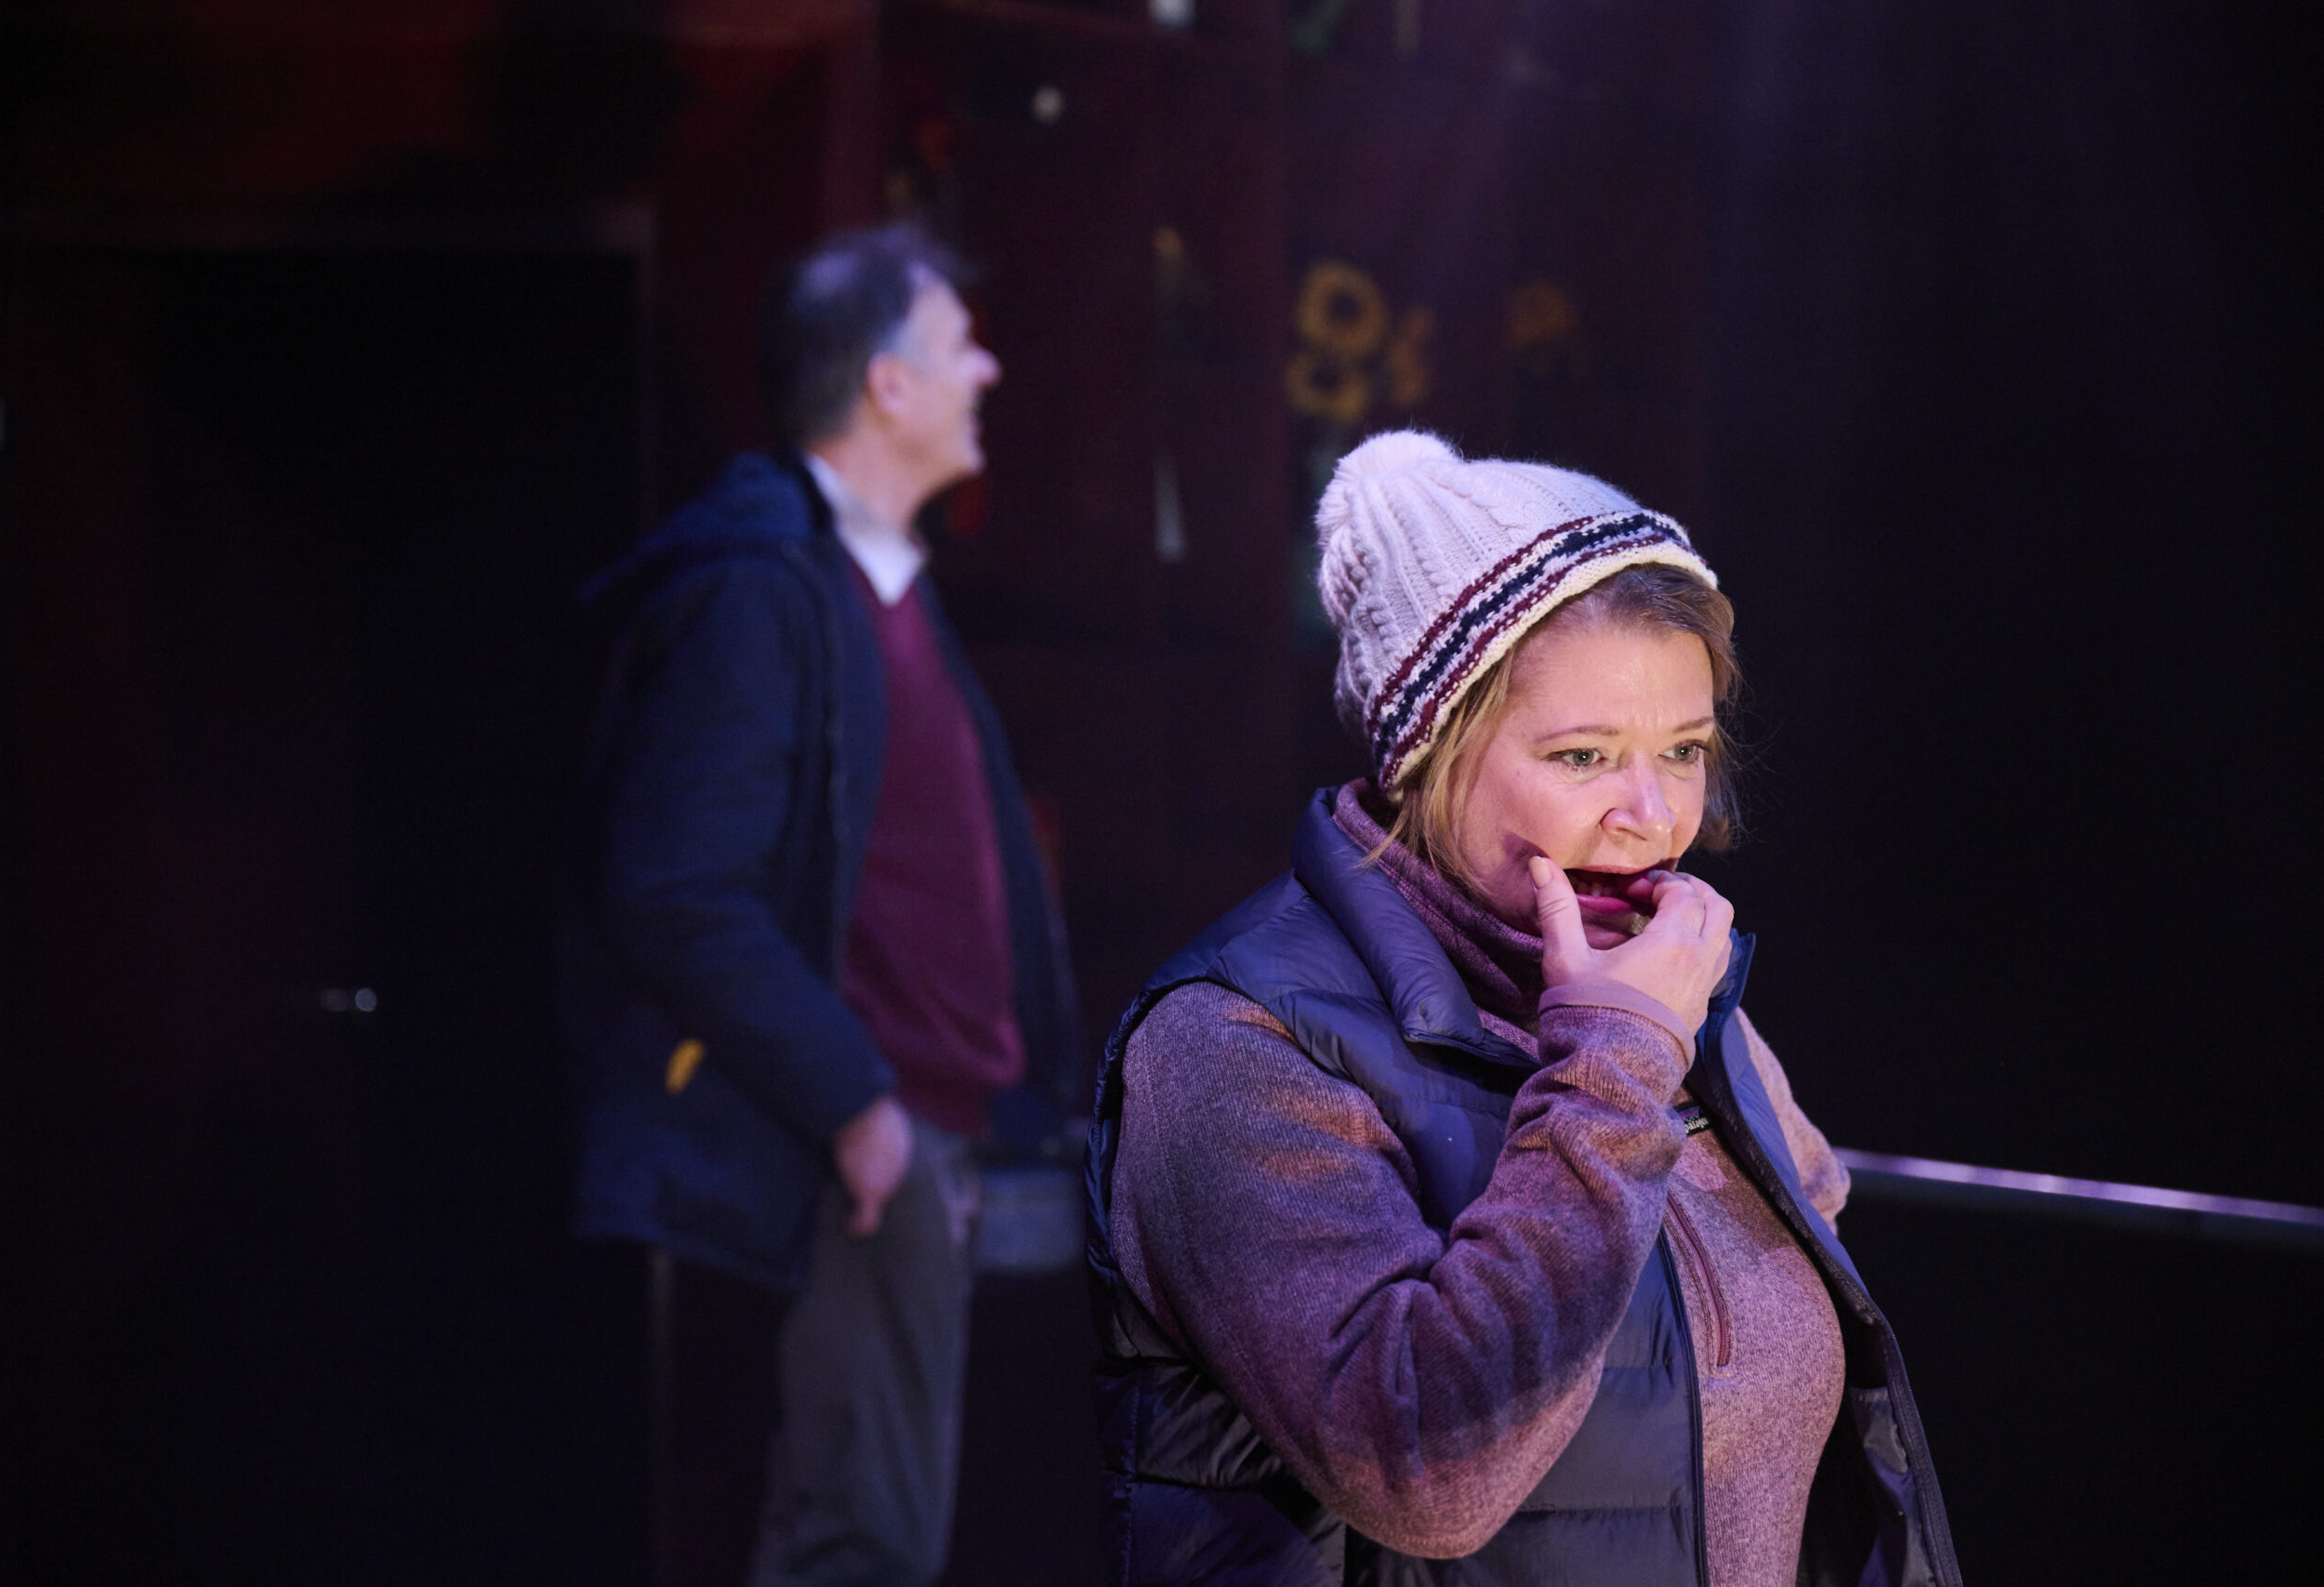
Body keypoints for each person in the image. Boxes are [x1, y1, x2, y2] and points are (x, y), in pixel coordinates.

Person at [1087, 431, 1962, 1585]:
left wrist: (1646, 1041)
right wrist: (1611, 1066)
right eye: (1584, 755)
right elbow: (1425, 1475)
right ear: (1426, 752)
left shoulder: (1663, 995)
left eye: (1684, 750)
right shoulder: (1235, 1043)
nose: (1649, 816)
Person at [561, 224, 1079, 1587]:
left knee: (861, 1536)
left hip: (929, 1139)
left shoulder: (878, 589)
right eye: (960, 340)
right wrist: (859, 1106)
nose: (990, 364)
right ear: (890, 385)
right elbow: (673, 889)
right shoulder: (766, 591)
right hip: (862, 1144)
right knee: (861, 1546)